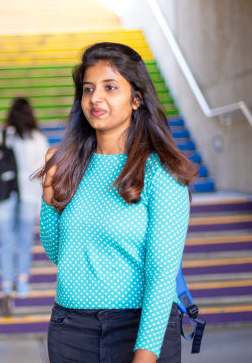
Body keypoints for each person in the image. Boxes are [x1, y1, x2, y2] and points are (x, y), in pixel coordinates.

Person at [33, 42, 198, 363]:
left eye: (110, 87)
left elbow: (162, 274)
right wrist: (49, 196)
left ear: (136, 98)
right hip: (70, 327)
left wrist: (146, 354)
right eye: (88, 89)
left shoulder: (162, 172)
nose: (95, 97)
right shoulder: (70, 164)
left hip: (138, 326)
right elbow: (59, 254)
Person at [0, 98, 49, 314]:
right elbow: (44, 172)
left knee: (5, 241)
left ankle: (6, 284)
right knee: (25, 240)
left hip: (3, 195)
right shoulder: (37, 138)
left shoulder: (2, 135)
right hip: (30, 196)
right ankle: (22, 282)